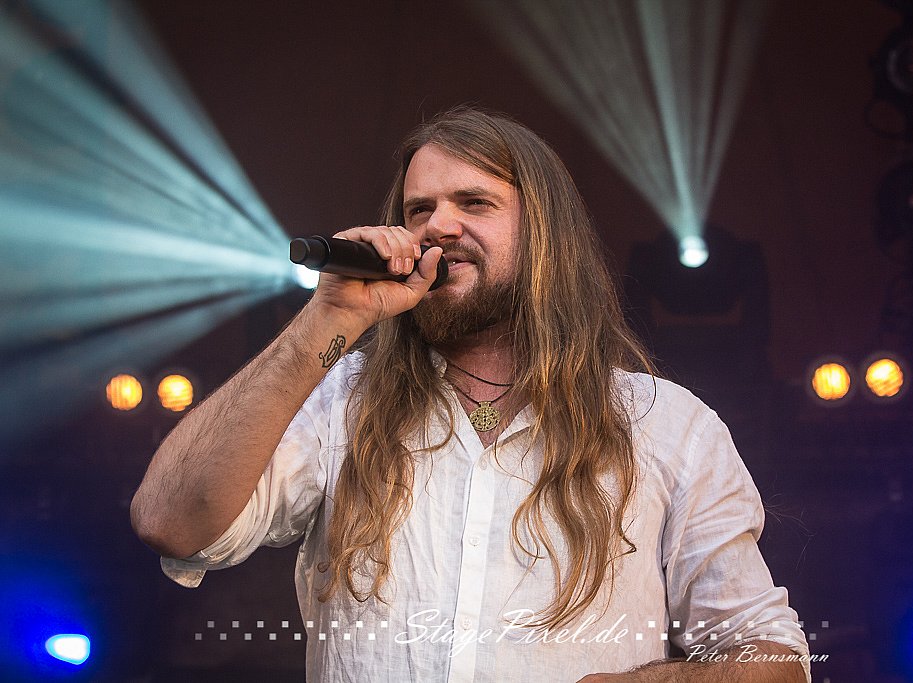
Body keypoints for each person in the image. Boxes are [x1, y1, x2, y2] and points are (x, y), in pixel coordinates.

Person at [131, 107, 811, 682]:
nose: (439, 225)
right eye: (419, 209)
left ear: (545, 234)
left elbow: (774, 659)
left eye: (475, 203)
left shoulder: (667, 424)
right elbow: (170, 522)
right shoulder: (341, 402)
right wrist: (326, 319)